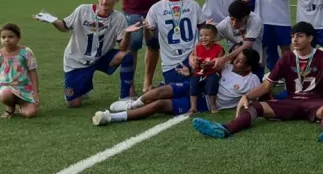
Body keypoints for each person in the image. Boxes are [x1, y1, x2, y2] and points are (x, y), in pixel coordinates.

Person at [192, 22, 323, 143]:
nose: (295, 39)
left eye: (300, 36)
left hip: (315, 103)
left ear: (310, 39)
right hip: (290, 102)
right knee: (255, 106)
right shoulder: (287, 57)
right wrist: (246, 96)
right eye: (293, 36)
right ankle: (224, 129)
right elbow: (267, 85)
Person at [34, 0, 139, 107]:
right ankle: (83, 87)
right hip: (77, 61)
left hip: (101, 57)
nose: (104, 1)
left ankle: (124, 97)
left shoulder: (119, 18)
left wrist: (127, 33)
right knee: (73, 103)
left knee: (127, 56)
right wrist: (52, 20)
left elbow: (122, 48)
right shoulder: (83, 10)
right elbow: (64, 27)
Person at [94, 48, 262, 126]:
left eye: (239, 61)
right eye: (236, 58)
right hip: (196, 87)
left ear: (248, 67)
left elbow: (259, 96)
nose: (234, 61)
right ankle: (132, 104)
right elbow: (203, 67)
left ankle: (112, 118)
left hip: (203, 102)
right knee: (160, 90)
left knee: (160, 104)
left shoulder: (252, 80)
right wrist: (191, 68)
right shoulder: (225, 66)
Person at [142, 0, 203, 90]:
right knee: (182, 89)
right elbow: (150, 41)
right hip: (171, 62)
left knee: (199, 88)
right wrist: (146, 30)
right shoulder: (156, 8)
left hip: (192, 57)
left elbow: (202, 30)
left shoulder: (193, 5)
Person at [0, 23, 40, 119]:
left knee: (31, 114)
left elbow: (33, 72)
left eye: (10, 37)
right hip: (6, 87)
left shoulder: (26, 52)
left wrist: (36, 93)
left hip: (24, 88)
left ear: (18, 38)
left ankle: (22, 104)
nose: (6, 40)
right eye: (3, 37)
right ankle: (10, 107)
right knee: (5, 95)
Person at [214, 0, 263, 68]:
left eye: (238, 21)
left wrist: (225, 58)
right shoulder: (225, 23)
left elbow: (247, 45)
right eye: (232, 19)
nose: (234, 24)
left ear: (247, 16)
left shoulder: (255, 20)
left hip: (252, 59)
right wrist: (208, 30)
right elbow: (209, 38)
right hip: (235, 61)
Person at [189, 23, 223, 114]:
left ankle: (213, 105)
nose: (203, 38)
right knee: (193, 83)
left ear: (214, 37)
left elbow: (220, 63)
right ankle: (193, 107)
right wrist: (196, 62)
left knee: (212, 82)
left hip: (212, 72)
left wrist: (211, 64)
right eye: (201, 35)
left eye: (206, 35)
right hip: (200, 72)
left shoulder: (219, 49)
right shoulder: (197, 48)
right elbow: (195, 62)